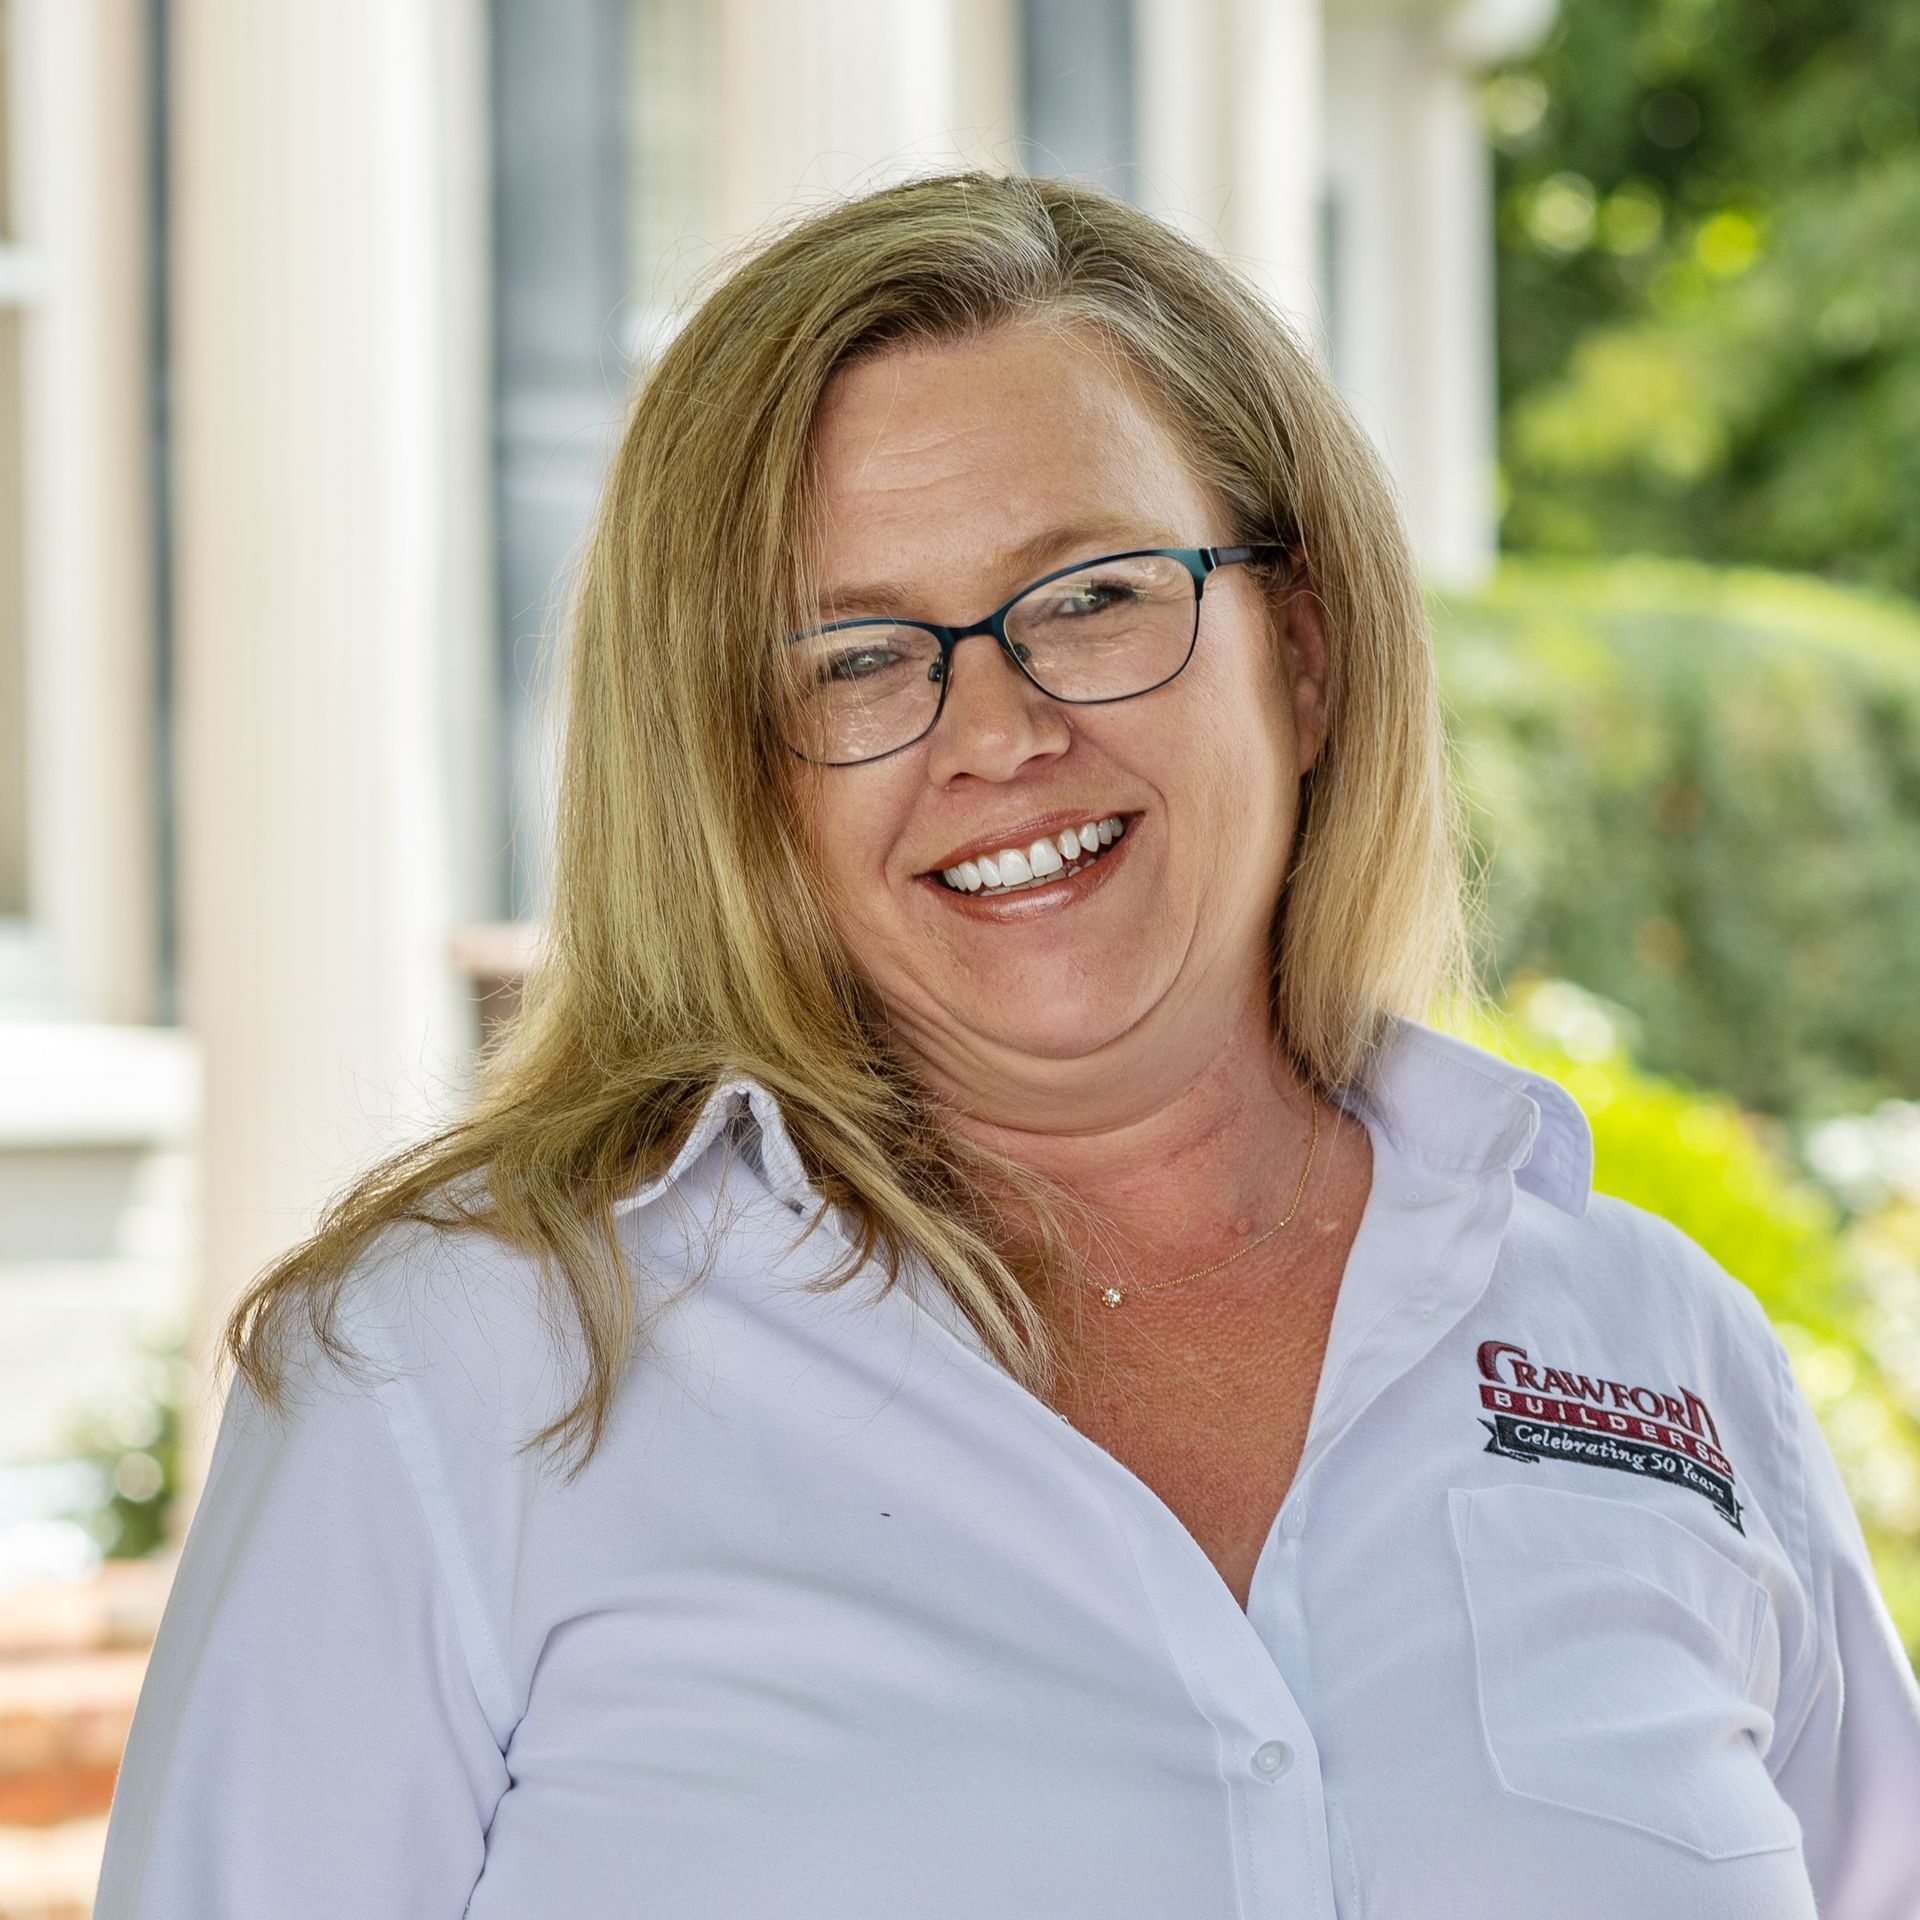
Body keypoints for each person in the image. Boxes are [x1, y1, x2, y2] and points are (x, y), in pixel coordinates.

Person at [95, 170, 1920, 1919]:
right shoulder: (458, 1373)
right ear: (730, 772)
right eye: (853, 657)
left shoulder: (1661, 1353)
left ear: (1303, 651)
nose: (997, 731)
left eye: (1093, 597)